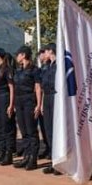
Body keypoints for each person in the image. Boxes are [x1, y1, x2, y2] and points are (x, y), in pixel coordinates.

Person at [40, 44, 59, 174]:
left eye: (45, 51)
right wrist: (41, 103)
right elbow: (42, 87)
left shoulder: (60, 65)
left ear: (51, 51)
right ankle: (53, 162)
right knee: (49, 131)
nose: (43, 54)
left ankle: (59, 163)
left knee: (57, 131)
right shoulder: (47, 66)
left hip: (56, 97)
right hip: (47, 98)